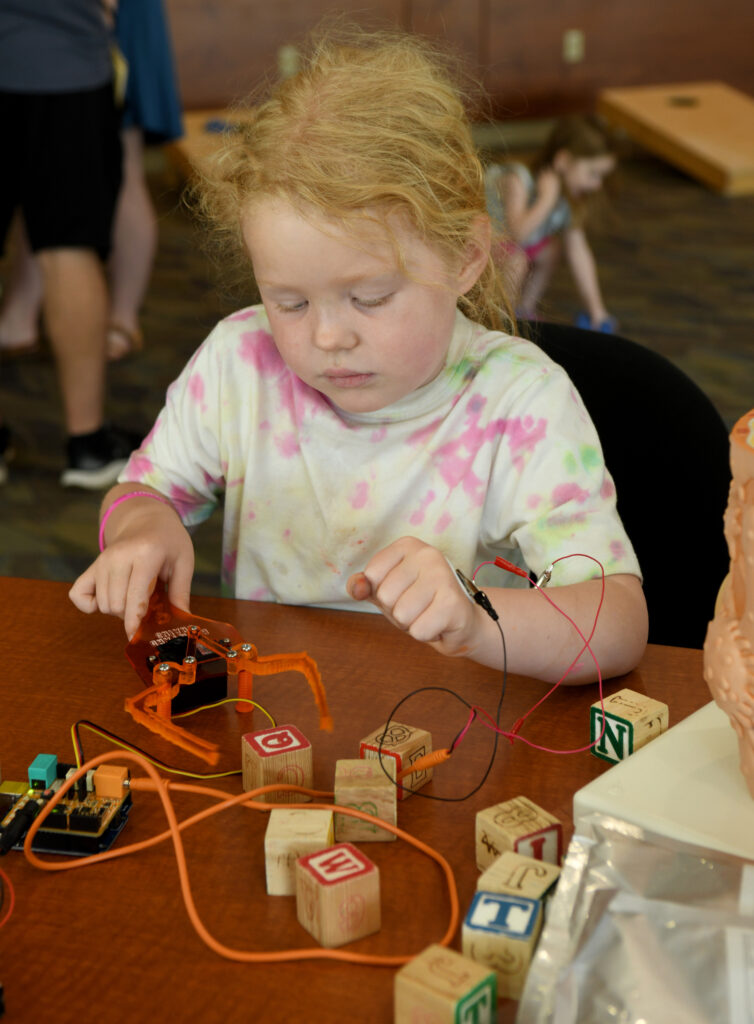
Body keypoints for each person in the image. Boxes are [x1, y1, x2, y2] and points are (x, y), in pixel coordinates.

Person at [69, 25, 648, 684]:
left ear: (465, 258)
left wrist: (479, 618)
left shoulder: (520, 402)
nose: (327, 337)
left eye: (369, 298)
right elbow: (144, 489)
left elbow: (618, 626)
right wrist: (143, 527)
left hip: (452, 733)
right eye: (289, 302)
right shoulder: (241, 361)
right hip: (276, 713)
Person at [0, 0, 137, 487]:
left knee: (67, 249)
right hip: (59, 59)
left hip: (57, 54)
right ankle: (88, 445)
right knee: (68, 249)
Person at [0, 0, 184, 362]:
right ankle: (21, 312)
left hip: (95, 24)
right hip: (43, 33)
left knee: (122, 161)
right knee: (44, 183)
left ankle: (122, 318)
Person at [484, 115, 617, 330]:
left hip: (514, 246)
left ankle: (524, 310)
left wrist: (597, 310)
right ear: (563, 160)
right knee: (517, 261)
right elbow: (518, 234)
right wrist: (546, 200)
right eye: (593, 173)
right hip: (485, 239)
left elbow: (579, 252)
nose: (597, 184)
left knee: (553, 248)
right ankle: (500, 320)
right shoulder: (518, 179)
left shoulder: (568, 199)